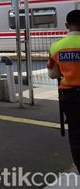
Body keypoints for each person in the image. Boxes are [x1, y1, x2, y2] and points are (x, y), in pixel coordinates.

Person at [48, 9, 80, 169]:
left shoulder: (56, 47)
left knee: (75, 135)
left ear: (67, 25)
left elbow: (53, 74)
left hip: (69, 96)